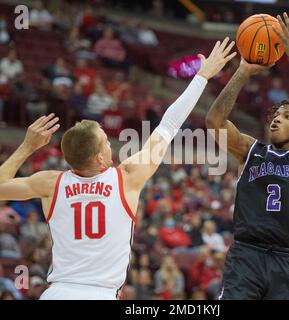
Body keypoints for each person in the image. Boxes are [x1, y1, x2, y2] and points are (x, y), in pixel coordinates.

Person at [0, 38, 236, 300]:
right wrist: (202, 76)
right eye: (105, 141)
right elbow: (168, 126)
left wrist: (26, 147)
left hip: (56, 293)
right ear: (100, 158)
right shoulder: (127, 178)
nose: (111, 145)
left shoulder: (49, 183)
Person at [205, 13, 289, 300]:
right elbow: (214, 122)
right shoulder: (250, 150)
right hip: (246, 255)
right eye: (275, 115)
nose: (275, 119)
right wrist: (243, 72)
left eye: (286, 117)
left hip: (286, 260)